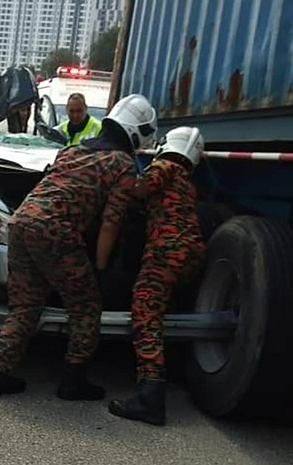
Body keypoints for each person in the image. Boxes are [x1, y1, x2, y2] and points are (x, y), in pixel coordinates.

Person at [0, 93, 158, 399]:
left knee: (25, 305)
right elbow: (111, 222)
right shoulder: (122, 163)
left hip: (22, 221)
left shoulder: (73, 151)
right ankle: (73, 381)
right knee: (86, 306)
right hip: (55, 231)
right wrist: (101, 269)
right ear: (135, 132)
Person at [109, 126, 206, 426]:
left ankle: (150, 395)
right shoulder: (187, 182)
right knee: (166, 308)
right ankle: (170, 369)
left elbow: (138, 189)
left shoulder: (164, 166)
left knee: (145, 312)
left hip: (167, 249)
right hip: (189, 252)